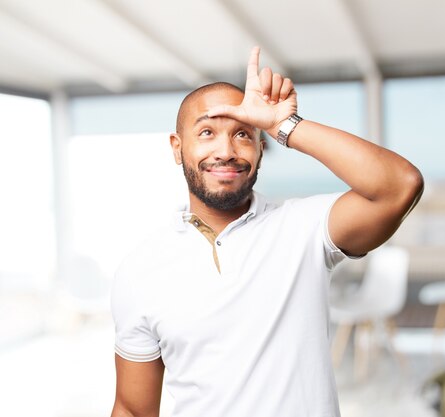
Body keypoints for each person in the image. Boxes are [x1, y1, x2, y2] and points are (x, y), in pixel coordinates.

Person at [110, 47, 424, 417]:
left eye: (242, 134)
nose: (226, 151)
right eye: (207, 132)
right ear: (177, 148)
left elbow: (400, 186)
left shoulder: (303, 228)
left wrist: (282, 125)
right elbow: (133, 408)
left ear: (261, 149)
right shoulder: (140, 270)